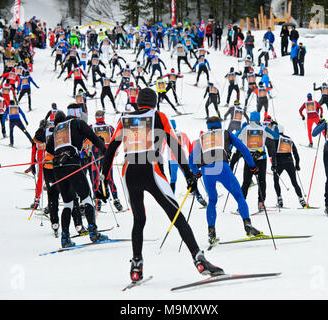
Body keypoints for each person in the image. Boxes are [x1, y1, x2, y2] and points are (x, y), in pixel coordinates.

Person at [99, 88, 224, 283]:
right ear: (155, 102)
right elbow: (174, 146)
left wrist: (103, 180)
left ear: (138, 103)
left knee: (138, 220)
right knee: (176, 215)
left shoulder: (124, 118)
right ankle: (199, 259)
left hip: (129, 171)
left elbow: (111, 150)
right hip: (151, 168)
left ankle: (136, 266)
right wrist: (189, 174)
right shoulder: (159, 116)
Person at [189, 116, 262, 244]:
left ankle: (211, 232)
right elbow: (243, 149)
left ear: (208, 126)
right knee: (239, 196)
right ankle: (247, 225)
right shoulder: (225, 133)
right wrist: (252, 166)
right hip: (222, 166)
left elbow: (191, 160)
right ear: (219, 124)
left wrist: (196, 172)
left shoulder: (202, 138)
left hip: (207, 170)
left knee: (212, 200)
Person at [45, 108, 108, 248]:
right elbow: (92, 136)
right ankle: (93, 232)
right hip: (72, 163)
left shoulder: (55, 130)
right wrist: (105, 150)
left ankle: (65, 238)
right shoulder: (77, 123)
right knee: (86, 196)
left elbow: (49, 149)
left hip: (57, 167)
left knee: (68, 203)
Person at [236, 111, 279, 211]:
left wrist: (243, 128)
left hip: (249, 158)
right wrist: (275, 127)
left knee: (246, 182)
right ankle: (261, 203)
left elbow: (237, 137)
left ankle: (241, 205)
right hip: (261, 159)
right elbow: (275, 136)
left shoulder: (246, 129)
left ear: (250, 119)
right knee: (262, 181)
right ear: (258, 119)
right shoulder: (263, 128)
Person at [90, 110, 124, 212]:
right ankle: (116, 200)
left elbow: (86, 141)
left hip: (96, 156)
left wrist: (86, 150)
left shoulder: (91, 127)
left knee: (95, 178)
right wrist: (115, 151)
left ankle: (98, 201)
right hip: (107, 155)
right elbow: (116, 139)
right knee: (109, 178)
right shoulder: (109, 128)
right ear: (103, 117)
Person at [271, 125, 306, 208]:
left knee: (276, 180)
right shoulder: (289, 139)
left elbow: (273, 153)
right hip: (289, 162)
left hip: (279, 164)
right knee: (294, 182)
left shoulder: (275, 139)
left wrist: (273, 165)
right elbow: (295, 152)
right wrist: (297, 164)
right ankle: (301, 199)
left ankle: (279, 199)